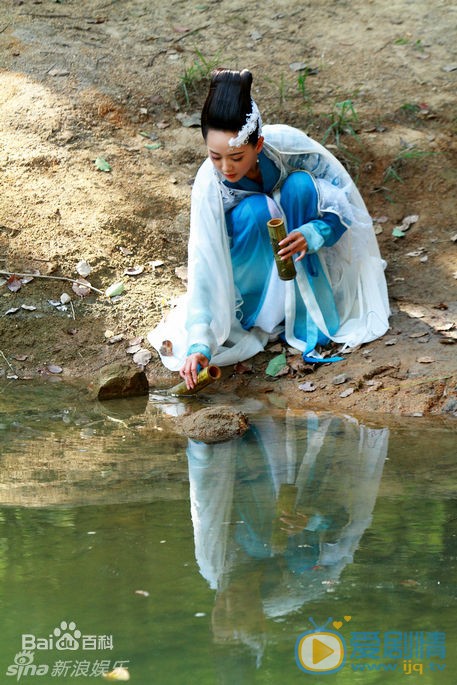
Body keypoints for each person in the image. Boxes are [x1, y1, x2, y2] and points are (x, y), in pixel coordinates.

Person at [148, 68, 390, 389]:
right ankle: (261, 316)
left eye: (236, 156)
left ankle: (308, 312)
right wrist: (199, 344)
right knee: (255, 210)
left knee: (300, 186)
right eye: (215, 156)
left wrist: (315, 232)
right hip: (249, 272)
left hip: (303, 256)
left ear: (258, 144)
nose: (226, 167)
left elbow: (344, 201)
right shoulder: (211, 184)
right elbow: (205, 264)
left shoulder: (288, 146)